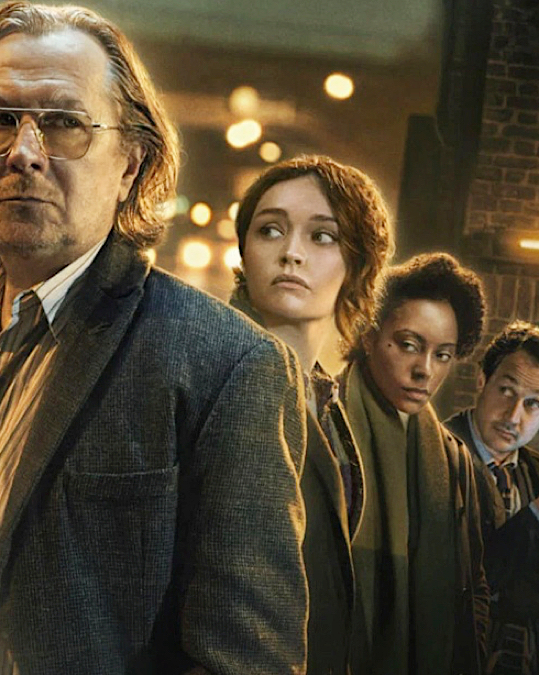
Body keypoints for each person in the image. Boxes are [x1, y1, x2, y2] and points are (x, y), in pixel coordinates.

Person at [0, 4, 310, 674]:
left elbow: (247, 661)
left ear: (131, 163)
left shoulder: (223, 365)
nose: (22, 152)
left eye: (63, 124)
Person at [231, 155, 394, 675]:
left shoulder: (328, 402)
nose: (291, 253)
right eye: (270, 230)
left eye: (322, 236)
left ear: (358, 264)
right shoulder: (218, 379)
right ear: (244, 249)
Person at [339, 252, 491, 674]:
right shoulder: (325, 426)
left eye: (443, 355)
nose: (425, 370)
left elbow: (472, 584)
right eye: (409, 345)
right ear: (369, 335)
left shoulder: (453, 459)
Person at [445, 321, 539, 674]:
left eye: (533, 403)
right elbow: (461, 579)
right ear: (482, 380)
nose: (513, 416)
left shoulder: (534, 471)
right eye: (506, 391)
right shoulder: (432, 455)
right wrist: (533, 516)